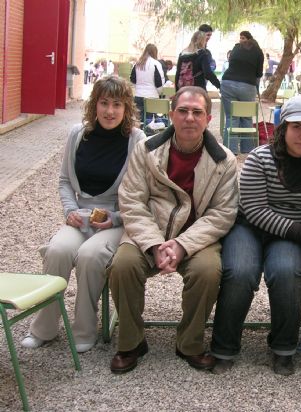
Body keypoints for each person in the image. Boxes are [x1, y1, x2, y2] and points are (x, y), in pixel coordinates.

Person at [107, 86, 238, 374]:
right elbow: (131, 201)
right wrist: (155, 244)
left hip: (196, 238)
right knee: (123, 265)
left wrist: (181, 245)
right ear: (171, 115)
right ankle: (131, 342)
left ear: (208, 118)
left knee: (207, 271)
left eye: (197, 112)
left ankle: (189, 343)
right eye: (183, 111)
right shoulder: (147, 150)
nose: (189, 118)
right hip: (148, 233)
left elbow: (222, 213)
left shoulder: (224, 161)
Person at [210, 96, 301, 376]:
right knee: (240, 271)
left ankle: (284, 347)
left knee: (286, 271)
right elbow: (255, 210)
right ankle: (224, 346)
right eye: (297, 127)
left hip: (290, 232)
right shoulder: (260, 158)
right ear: (283, 127)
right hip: (250, 227)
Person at [21, 76, 145, 353]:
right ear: (94, 105)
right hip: (80, 214)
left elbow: (142, 193)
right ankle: (44, 328)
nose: (109, 111)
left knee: (91, 256)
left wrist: (116, 218)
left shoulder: (136, 140)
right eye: (104, 103)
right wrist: (69, 211)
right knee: (57, 251)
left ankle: (84, 329)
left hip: (116, 217)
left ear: (126, 108)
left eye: (117, 104)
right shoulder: (77, 134)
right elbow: (65, 180)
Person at [220, 30, 264, 154]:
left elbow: (232, 63)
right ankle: (247, 149)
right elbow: (258, 74)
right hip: (247, 85)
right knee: (246, 117)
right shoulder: (258, 52)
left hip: (228, 82)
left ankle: (230, 149)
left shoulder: (236, 48)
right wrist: (257, 90)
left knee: (231, 117)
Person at [130, 44, 165, 119]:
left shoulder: (138, 64)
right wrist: (159, 93)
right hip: (152, 97)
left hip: (138, 95)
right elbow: (159, 82)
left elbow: (132, 80)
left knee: (139, 121)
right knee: (150, 123)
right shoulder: (156, 64)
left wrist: (138, 88)